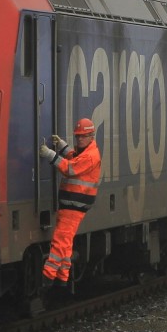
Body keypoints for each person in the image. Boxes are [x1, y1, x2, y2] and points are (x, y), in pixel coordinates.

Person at [37, 117, 102, 287]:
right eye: (77, 136)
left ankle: (48, 277)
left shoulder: (90, 156)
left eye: (83, 136)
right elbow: (74, 158)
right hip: (71, 204)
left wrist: (50, 154)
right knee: (66, 240)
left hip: (75, 204)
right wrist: (63, 147)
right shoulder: (86, 152)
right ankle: (63, 276)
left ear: (91, 136)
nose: (79, 139)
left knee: (61, 239)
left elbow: (70, 168)